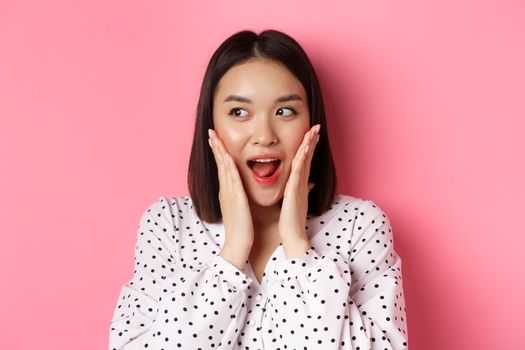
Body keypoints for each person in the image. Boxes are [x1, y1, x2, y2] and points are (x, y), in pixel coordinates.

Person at [109, 29, 409, 349]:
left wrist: (297, 247)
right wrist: (233, 250)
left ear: (312, 122)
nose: (264, 135)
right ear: (211, 126)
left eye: (285, 111)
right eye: (239, 112)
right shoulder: (168, 223)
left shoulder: (359, 225)